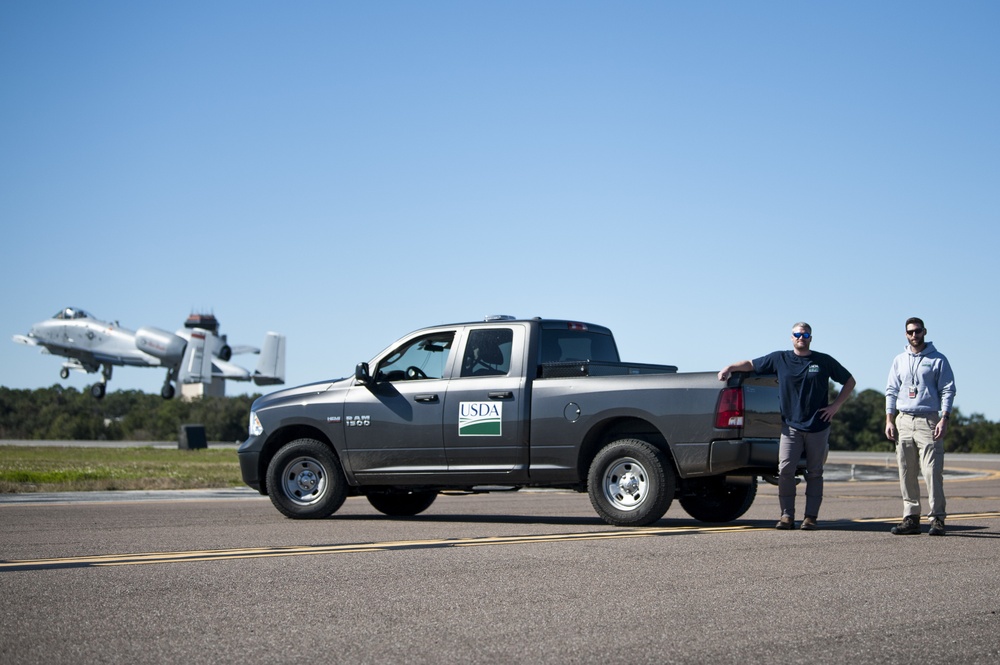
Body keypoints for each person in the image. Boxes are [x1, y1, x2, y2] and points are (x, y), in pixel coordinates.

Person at [718, 322, 855, 530]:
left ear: (811, 337)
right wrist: (730, 367)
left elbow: (850, 381)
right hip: (790, 427)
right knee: (785, 470)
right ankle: (786, 516)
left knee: (815, 472)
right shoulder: (779, 358)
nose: (801, 337)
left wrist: (835, 406)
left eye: (805, 334)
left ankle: (810, 517)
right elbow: (751, 364)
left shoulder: (823, 361)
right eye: (797, 334)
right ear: (791, 337)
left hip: (818, 426)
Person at [884, 317, 956, 536]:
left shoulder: (938, 359)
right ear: (906, 334)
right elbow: (891, 390)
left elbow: (948, 390)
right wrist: (889, 419)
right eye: (910, 332)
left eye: (917, 331)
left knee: (932, 471)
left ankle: (937, 519)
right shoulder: (899, 360)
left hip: (928, 420)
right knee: (906, 470)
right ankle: (911, 517)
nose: (914, 335)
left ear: (924, 332)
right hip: (904, 420)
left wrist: (944, 418)